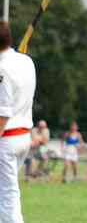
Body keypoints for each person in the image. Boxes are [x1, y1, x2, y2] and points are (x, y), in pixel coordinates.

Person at [0, 21, 36, 223]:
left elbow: (2, 112)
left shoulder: (2, 69)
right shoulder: (26, 61)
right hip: (23, 136)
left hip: (6, 137)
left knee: (8, 198)